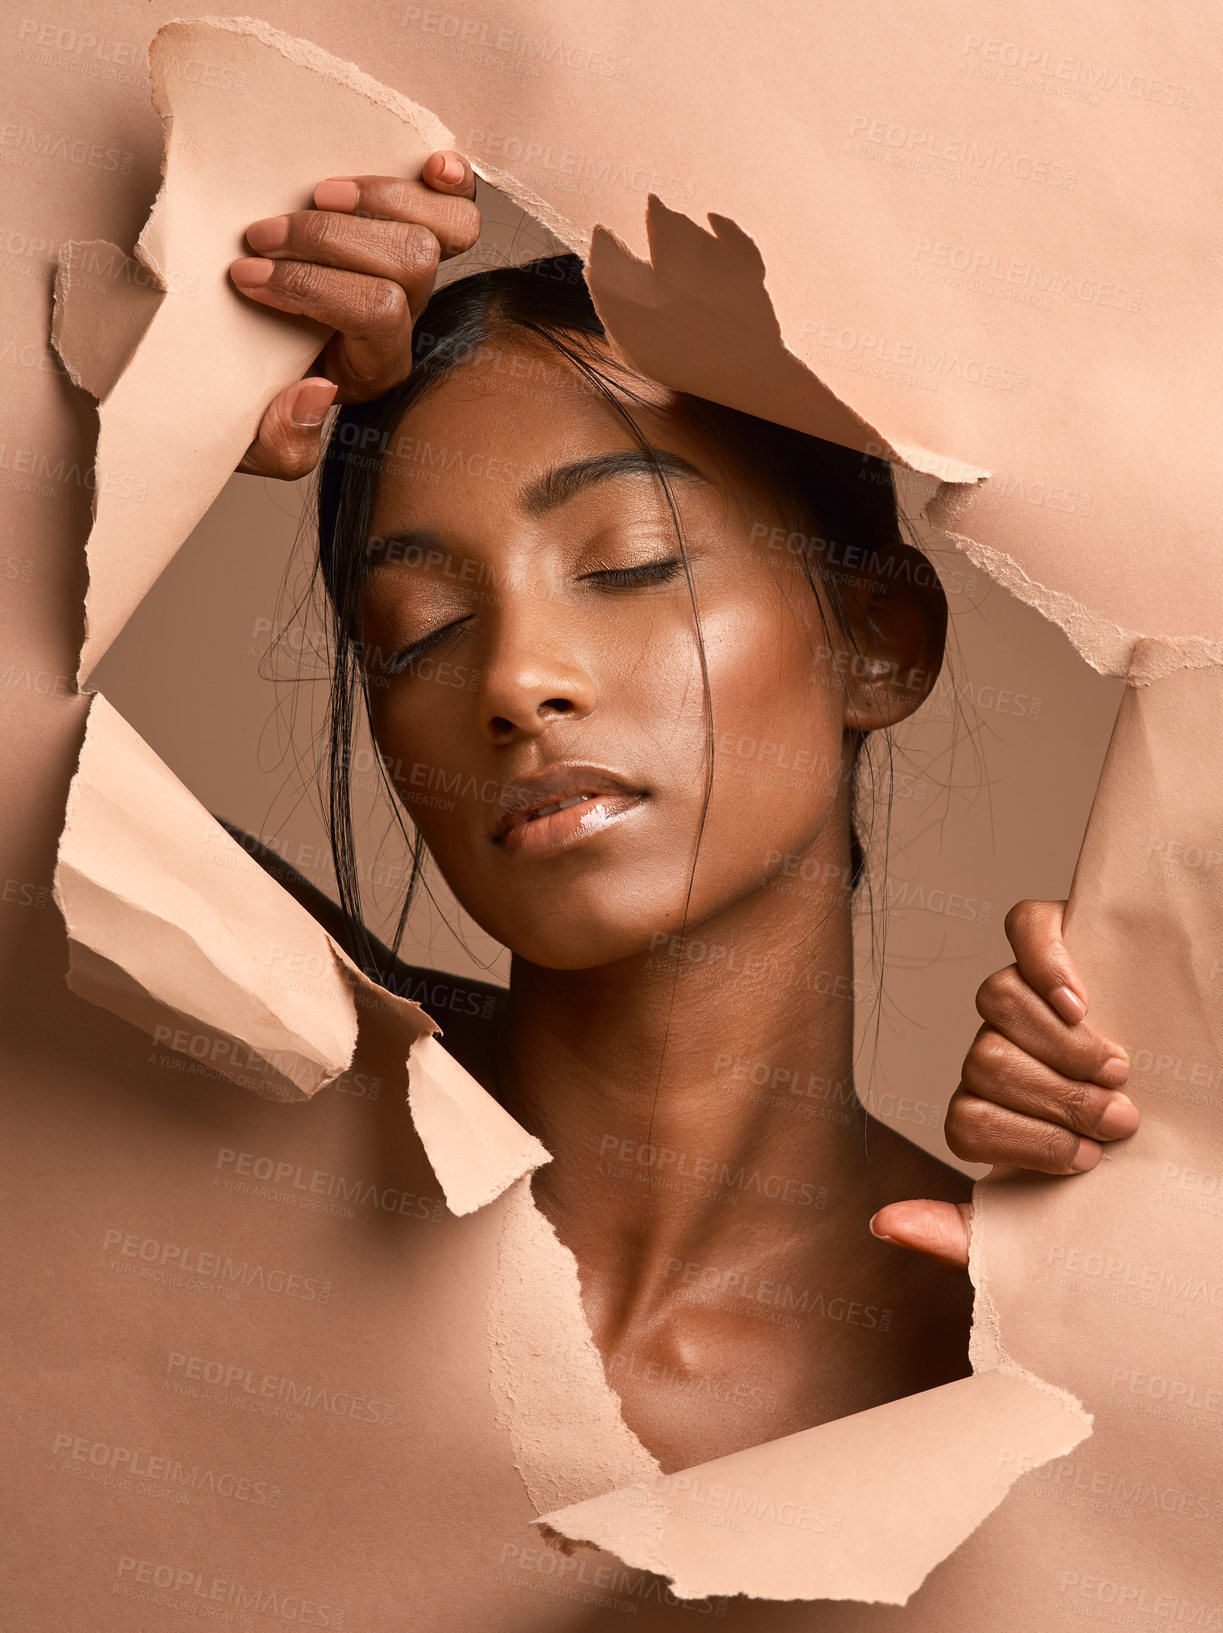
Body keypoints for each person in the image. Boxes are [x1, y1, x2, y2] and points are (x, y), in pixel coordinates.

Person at [226, 152, 1139, 1471]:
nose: (520, 679)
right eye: (421, 630)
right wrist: (157, 405)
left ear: (879, 638)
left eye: (631, 563)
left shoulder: (1013, 1342)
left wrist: (1164, 1271)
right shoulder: (213, 1092)